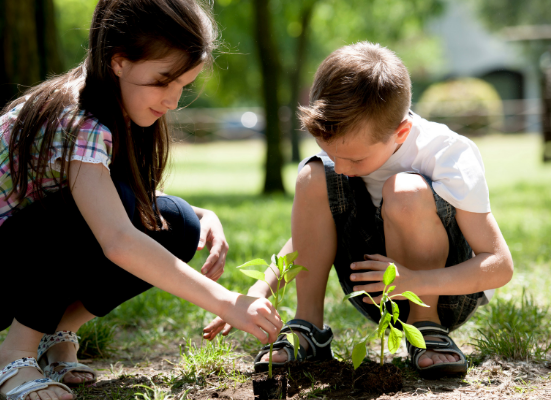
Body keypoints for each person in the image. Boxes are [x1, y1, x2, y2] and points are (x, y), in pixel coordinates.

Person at [0, 1, 283, 399]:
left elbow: (116, 196)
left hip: (10, 259)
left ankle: (57, 335)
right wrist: (227, 302)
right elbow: (116, 238)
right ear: (119, 62)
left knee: (178, 223)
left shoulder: (112, 108)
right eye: (163, 81)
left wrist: (202, 214)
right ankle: (11, 361)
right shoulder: (79, 119)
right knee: (93, 218)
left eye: (183, 85)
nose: (173, 101)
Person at [203, 42, 513, 380]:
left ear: (402, 132)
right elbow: (308, 238)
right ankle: (309, 326)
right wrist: (260, 290)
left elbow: (499, 266)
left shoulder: (447, 154)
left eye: (355, 159)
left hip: (444, 290)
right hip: (374, 285)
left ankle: (427, 329)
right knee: (314, 174)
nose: (344, 168)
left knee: (404, 188)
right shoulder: (345, 155)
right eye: (332, 152)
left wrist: (414, 280)